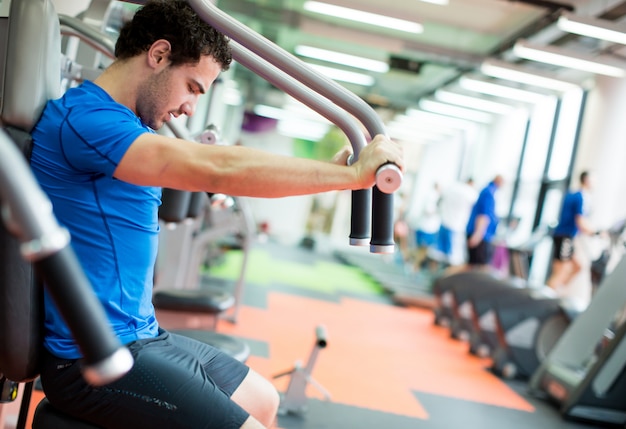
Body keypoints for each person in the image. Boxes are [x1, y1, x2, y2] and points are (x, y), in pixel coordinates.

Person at [29, 2, 404, 429]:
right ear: (158, 55)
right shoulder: (88, 121)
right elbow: (218, 168)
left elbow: (218, 164)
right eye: (192, 87)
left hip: (145, 335)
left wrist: (337, 173)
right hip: (92, 357)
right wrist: (352, 177)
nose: (190, 107)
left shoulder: (126, 125)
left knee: (263, 401)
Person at [546, 171, 596, 292]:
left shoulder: (573, 194)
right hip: (564, 236)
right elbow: (580, 221)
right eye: (594, 180)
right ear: (587, 180)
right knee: (560, 272)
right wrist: (595, 232)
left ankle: (555, 291)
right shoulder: (580, 196)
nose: (595, 183)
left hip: (566, 236)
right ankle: (545, 298)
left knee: (577, 267)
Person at [437, 178, 478, 269]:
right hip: (457, 227)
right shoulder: (471, 193)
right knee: (454, 259)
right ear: (471, 183)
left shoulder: (452, 188)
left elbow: (439, 201)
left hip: (444, 223)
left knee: (440, 255)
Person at [465, 175, 504, 270]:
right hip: (481, 236)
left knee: (474, 266)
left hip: (480, 235)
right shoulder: (489, 193)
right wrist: (477, 235)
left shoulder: (488, 191)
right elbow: (483, 215)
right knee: (478, 268)